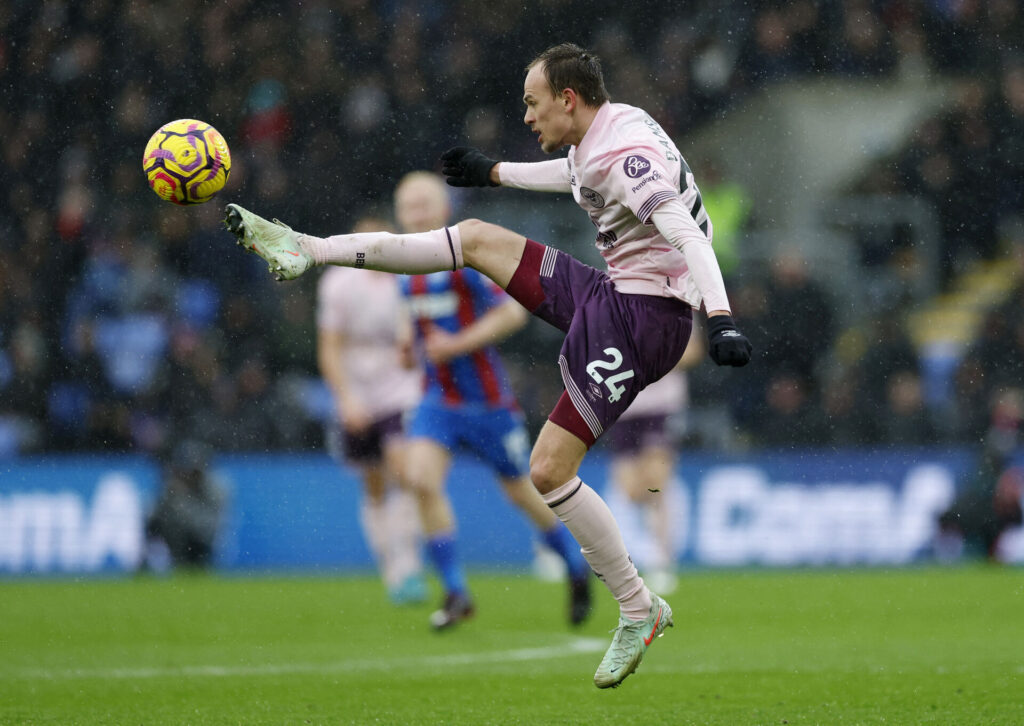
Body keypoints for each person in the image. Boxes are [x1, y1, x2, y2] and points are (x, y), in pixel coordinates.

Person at [224, 42, 751, 689]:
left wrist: (722, 320)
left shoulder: (624, 153)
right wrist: (495, 172)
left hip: (649, 322)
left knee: (548, 469)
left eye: (532, 104)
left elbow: (689, 235)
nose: (526, 116)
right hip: (614, 295)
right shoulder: (606, 133)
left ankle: (638, 606)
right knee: (472, 237)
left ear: (567, 99)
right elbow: (577, 176)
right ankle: (308, 247)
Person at [391, 171, 592, 630]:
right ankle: (456, 592)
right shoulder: (405, 271)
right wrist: (406, 345)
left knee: (524, 493)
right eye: (409, 207)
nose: (417, 214)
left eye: (425, 205)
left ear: (443, 211)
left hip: (487, 403)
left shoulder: (464, 262)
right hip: (435, 400)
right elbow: (412, 321)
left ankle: (576, 568)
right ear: (400, 216)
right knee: (420, 480)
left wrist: (457, 344)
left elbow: (511, 314)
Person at [317, 215, 426, 605]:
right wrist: (345, 398)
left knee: (406, 471)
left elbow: (419, 334)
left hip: (400, 387)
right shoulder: (340, 282)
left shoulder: (407, 278)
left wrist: (415, 352)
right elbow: (329, 347)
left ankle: (409, 564)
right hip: (358, 387)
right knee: (374, 482)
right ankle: (392, 568)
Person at [603, 328, 706, 596]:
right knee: (630, 491)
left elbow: (693, 351)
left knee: (656, 484)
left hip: (662, 406)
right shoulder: (611, 304)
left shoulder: (676, 300)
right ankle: (637, 557)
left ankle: (661, 561)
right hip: (623, 406)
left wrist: (653, 358)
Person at [144, 439, 227, 570]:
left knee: (186, 535)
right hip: (175, 537)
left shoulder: (215, 489)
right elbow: (154, 515)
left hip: (200, 540)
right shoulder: (172, 486)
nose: (189, 475)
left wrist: (181, 503)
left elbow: (209, 524)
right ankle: (148, 564)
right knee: (161, 526)